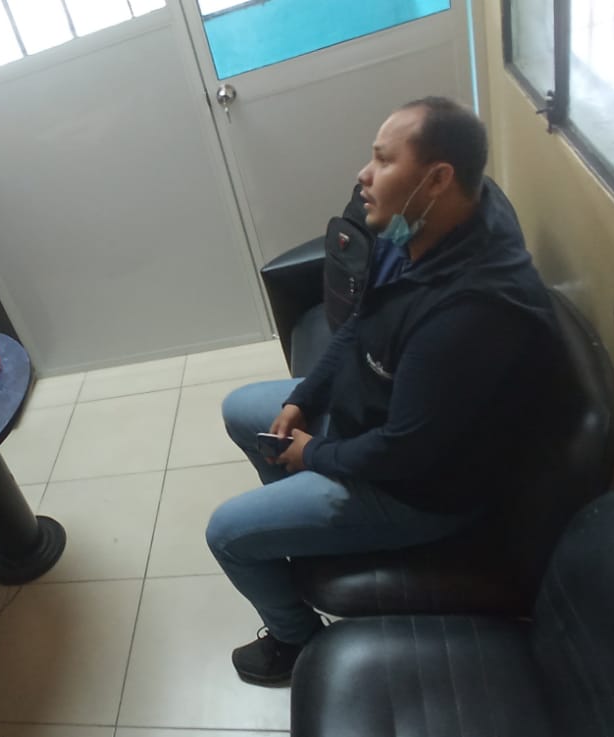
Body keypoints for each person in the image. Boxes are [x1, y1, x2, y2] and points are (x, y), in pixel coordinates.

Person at [207, 97, 559, 685]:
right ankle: (306, 532)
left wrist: (315, 455)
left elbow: (405, 452)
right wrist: (303, 399)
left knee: (228, 535)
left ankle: (296, 642)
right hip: (371, 415)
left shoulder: (469, 315)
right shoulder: (421, 223)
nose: (363, 174)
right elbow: (362, 322)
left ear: (437, 178)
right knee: (244, 409)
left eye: (383, 160)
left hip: (416, 490)